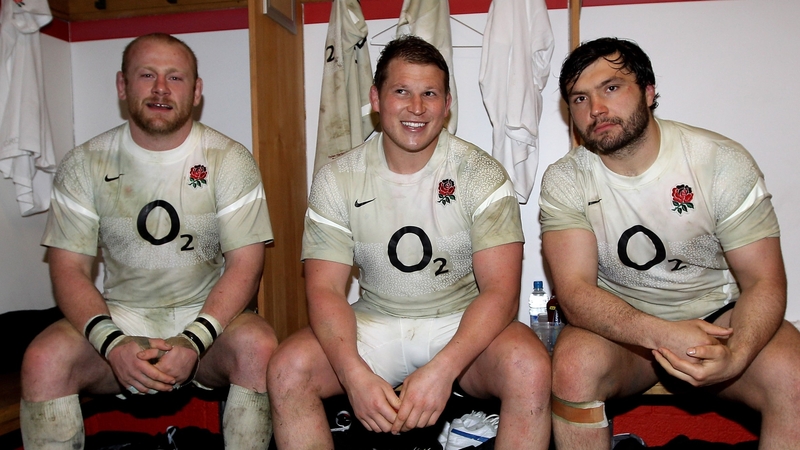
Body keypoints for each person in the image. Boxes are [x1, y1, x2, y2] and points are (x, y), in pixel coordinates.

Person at [267, 35, 551, 449]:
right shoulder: (337, 177)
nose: (416, 108)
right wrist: (353, 374)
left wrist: (444, 369)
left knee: (530, 367)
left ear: (446, 104)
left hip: (460, 320)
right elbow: (325, 289)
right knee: (287, 369)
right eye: (402, 91)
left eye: (429, 94)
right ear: (376, 99)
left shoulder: (481, 174)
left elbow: (501, 294)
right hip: (375, 320)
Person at [539, 37, 800, 449]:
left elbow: (764, 281)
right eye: (579, 98)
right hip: (622, 331)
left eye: (611, 88)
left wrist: (735, 355)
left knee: (795, 375)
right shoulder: (566, 179)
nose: (596, 109)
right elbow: (574, 293)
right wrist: (660, 334)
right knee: (573, 367)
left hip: (718, 321)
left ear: (648, 91)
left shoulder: (719, 161)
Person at [20, 33, 277, 450]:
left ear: (196, 92)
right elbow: (69, 269)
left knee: (260, 346)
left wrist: (194, 340)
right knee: (43, 358)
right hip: (121, 319)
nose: (160, 88)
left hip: (206, 319)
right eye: (146, 75)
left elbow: (246, 265)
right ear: (122, 87)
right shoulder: (85, 163)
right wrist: (113, 343)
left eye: (175, 78)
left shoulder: (228, 159)